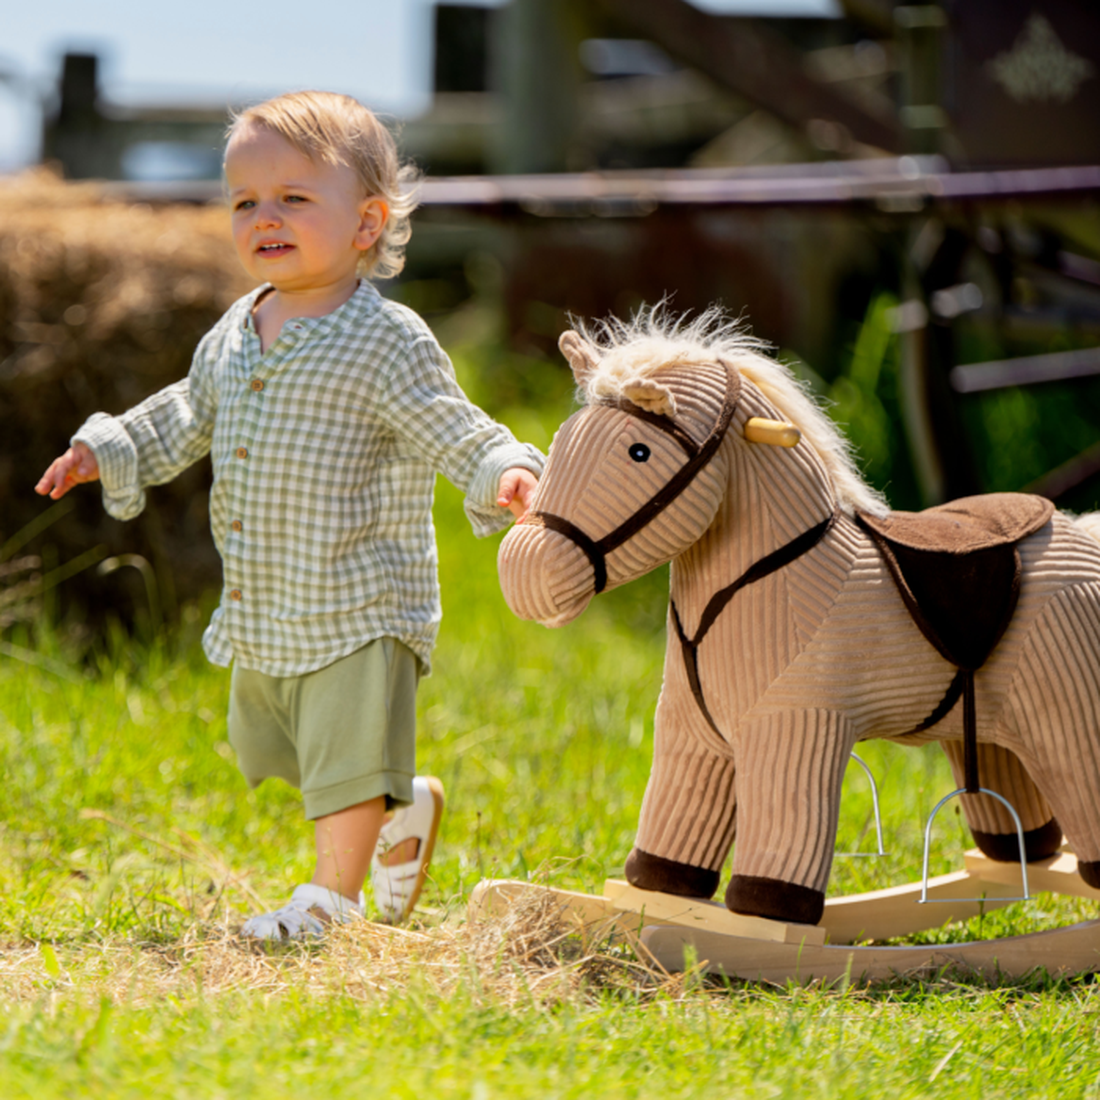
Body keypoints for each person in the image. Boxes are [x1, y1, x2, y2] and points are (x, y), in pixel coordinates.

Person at [35, 90, 543, 939]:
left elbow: (454, 424)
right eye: (244, 202)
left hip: (359, 598)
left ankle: (329, 903)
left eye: (294, 198)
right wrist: (111, 446)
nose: (263, 217)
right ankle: (400, 805)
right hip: (272, 599)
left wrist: (505, 471)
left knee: (343, 757)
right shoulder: (239, 328)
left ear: (367, 222)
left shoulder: (386, 339)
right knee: (301, 747)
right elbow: (187, 413)